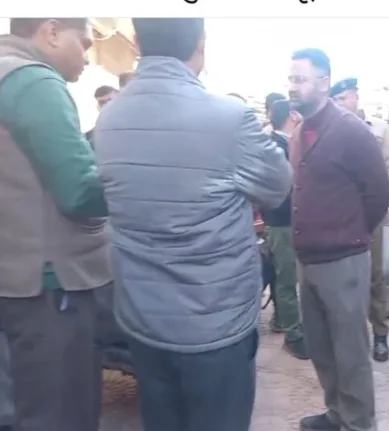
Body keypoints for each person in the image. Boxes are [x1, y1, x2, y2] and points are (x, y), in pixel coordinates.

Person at [94, 18, 292, 431]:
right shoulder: (229, 118)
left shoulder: (110, 119)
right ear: (201, 42)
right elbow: (278, 187)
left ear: (137, 42)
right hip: (216, 324)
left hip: (143, 318)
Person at [0, 18, 111, 431]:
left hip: (13, 275)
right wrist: (125, 184)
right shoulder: (34, 82)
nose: (87, 57)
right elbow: (78, 190)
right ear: (50, 31)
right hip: (49, 283)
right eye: (83, 43)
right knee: (62, 413)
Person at [288, 48, 389, 431]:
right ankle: (337, 414)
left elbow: (379, 193)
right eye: (291, 79)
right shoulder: (300, 132)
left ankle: (359, 424)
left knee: (350, 353)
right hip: (309, 260)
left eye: (300, 78)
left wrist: (351, 233)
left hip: (343, 261)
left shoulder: (349, 130)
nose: (293, 86)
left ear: (324, 82)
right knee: (322, 349)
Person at [330, 76, 389, 362]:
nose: (339, 104)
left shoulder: (378, 128)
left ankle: (380, 334)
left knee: (374, 275)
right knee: (341, 274)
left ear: (356, 97)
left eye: (344, 98)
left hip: (370, 212)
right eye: (335, 100)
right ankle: (348, 336)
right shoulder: (328, 128)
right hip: (338, 213)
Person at [262, 99, 308, 359]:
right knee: (287, 278)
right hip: (283, 221)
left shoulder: (285, 144)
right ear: (293, 116)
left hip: (292, 220)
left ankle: (296, 326)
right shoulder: (276, 147)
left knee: (293, 277)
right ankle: (292, 333)